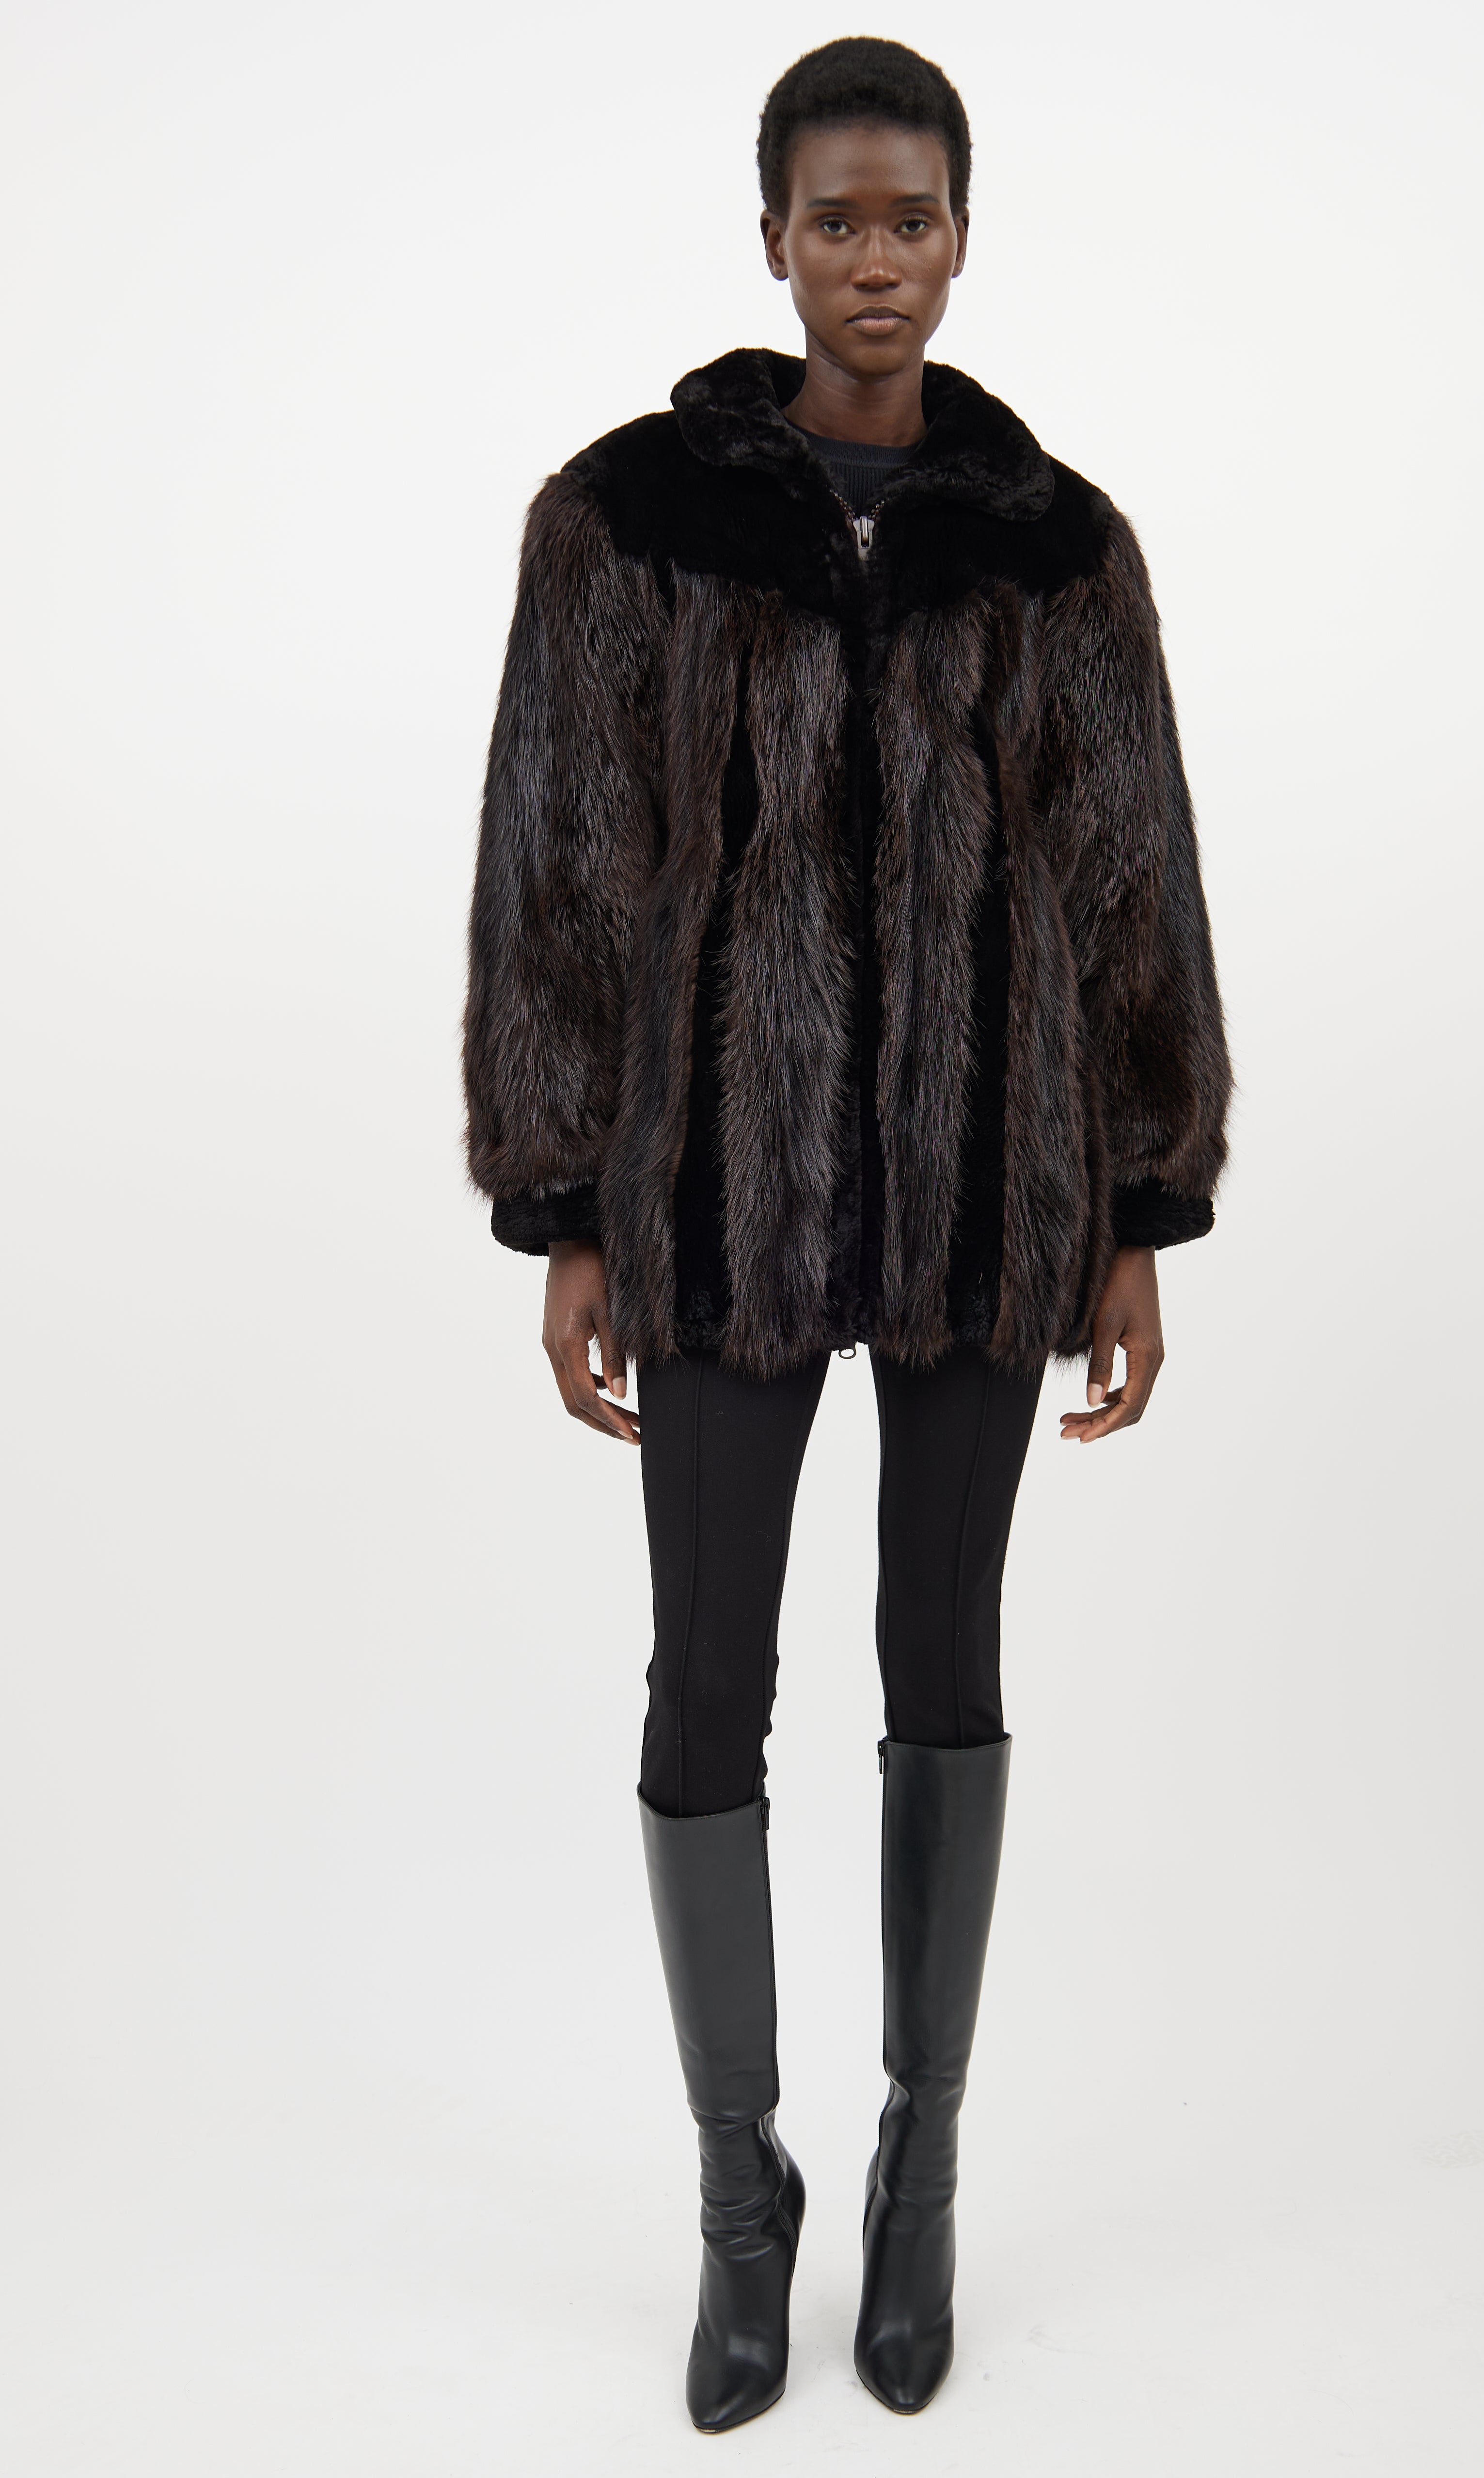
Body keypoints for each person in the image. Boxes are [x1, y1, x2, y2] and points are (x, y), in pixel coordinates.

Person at [463, 33, 1230, 2433]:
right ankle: (740, 2193)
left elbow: (1130, 881)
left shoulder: (1060, 549)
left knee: (944, 1664)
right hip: (716, 1190)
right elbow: (561, 862)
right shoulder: (630, 525)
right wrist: (568, 1201)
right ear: (773, 239)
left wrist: (1138, 1203)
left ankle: (922, 2167)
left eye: (911, 219)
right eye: (835, 220)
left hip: (994, 1191)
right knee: (707, 1686)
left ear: (965, 237)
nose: (873, 260)